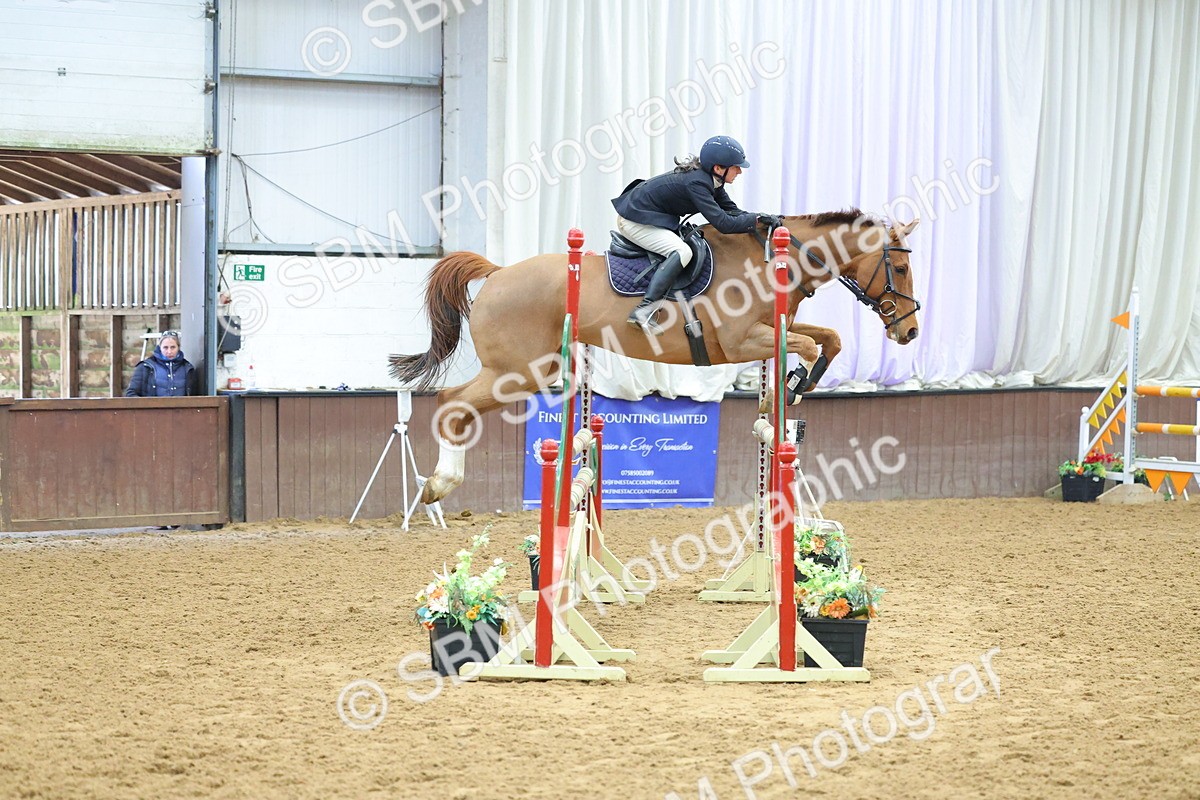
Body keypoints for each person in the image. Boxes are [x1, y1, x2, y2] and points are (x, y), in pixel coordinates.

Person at [612, 135, 783, 335]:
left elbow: (732, 211)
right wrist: (757, 220)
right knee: (683, 251)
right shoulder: (698, 184)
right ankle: (644, 310)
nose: (740, 171)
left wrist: (762, 218)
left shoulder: (714, 181)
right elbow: (723, 224)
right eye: (736, 167)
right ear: (719, 168)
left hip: (649, 216)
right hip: (634, 220)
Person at [124, 331, 198, 397]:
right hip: (153, 411)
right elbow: (131, 393)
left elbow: (195, 396)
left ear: (178, 348)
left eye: (173, 347)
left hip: (182, 411)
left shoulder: (187, 368)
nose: (169, 351)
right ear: (160, 348)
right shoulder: (145, 367)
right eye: (165, 347)